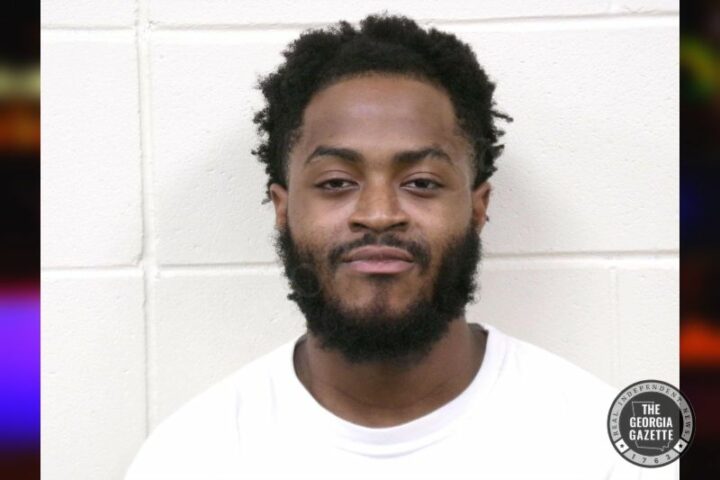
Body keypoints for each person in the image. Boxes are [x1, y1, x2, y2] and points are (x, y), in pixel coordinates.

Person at [126, 14, 671, 479]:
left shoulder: (599, 447)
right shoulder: (193, 458)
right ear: (283, 208)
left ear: (477, 207)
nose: (379, 213)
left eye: (422, 182)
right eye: (336, 182)